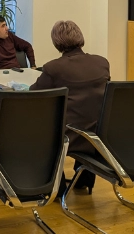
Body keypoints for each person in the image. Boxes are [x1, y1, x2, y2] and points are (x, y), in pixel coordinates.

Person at [30, 20, 110, 194]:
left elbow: (34, 94)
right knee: (85, 113)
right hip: (98, 133)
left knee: (39, 128)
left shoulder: (53, 68)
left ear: (56, 42)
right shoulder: (102, 62)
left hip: (69, 136)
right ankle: (84, 180)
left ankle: (56, 188)